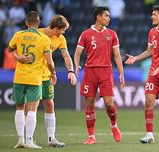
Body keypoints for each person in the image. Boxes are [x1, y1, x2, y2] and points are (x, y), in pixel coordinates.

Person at [13, 14, 77, 148]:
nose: (63, 32)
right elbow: (15, 48)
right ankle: (27, 139)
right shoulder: (38, 34)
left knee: (49, 105)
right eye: (63, 30)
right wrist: (19, 58)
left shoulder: (60, 39)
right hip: (33, 75)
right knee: (30, 107)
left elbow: (66, 56)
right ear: (56, 28)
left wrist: (71, 71)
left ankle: (51, 138)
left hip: (46, 76)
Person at [125, 5, 159, 144]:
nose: (152, 16)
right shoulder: (152, 32)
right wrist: (136, 58)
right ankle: (149, 135)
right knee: (148, 102)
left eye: (154, 14)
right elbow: (150, 51)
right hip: (154, 72)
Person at [74, 6, 125, 145]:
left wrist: (121, 73)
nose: (109, 18)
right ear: (98, 17)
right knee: (89, 103)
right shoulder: (85, 34)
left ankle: (114, 125)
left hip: (106, 71)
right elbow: (77, 53)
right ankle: (91, 136)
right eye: (106, 16)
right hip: (90, 72)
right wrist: (76, 65)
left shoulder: (112, 34)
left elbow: (117, 56)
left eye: (109, 16)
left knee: (109, 103)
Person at [8, 11, 56, 149]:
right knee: (32, 110)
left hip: (19, 77)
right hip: (34, 78)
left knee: (19, 108)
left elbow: (10, 49)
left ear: (26, 22)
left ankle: (20, 140)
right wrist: (53, 73)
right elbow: (50, 63)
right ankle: (29, 140)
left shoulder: (18, 35)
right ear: (39, 22)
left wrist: (18, 58)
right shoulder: (44, 39)